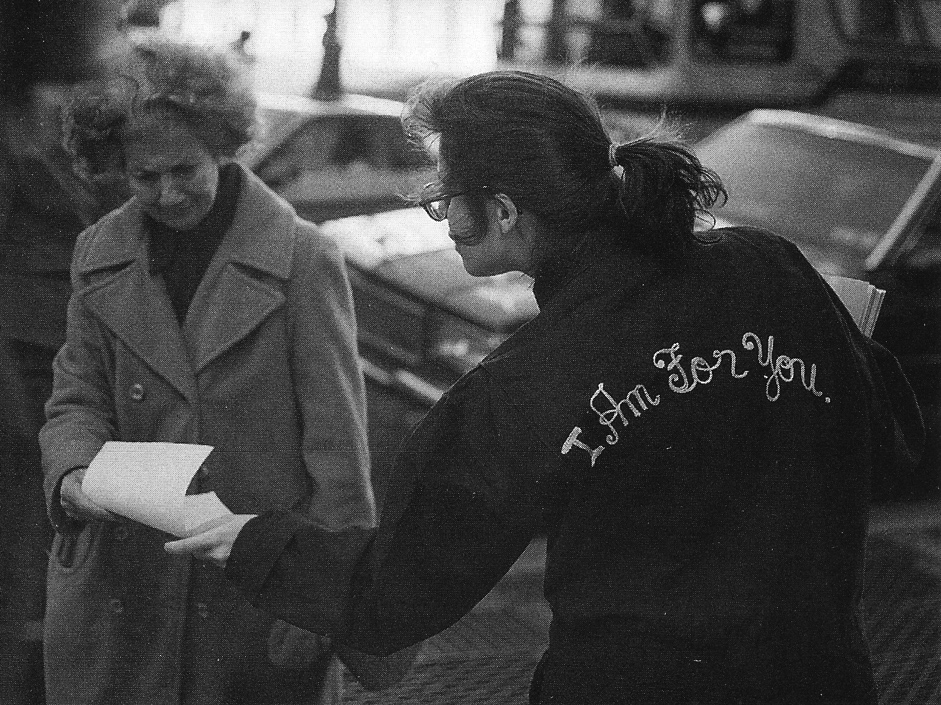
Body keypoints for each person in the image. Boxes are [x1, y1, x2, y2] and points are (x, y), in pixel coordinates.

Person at [167, 71, 925, 704]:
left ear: (502, 211)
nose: (441, 215)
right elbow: (891, 441)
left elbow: (395, 595)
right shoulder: (770, 264)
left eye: (444, 196)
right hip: (817, 679)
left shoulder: (524, 383)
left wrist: (254, 541)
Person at [38, 37, 379, 705]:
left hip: (253, 584)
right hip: (126, 580)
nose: (166, 193)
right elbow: (75, 395)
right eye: (143, 175)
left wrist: (324, 591)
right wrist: (72, 473)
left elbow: (338, 449)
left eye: (184, 168)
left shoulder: (303, 258)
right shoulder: (97, 251)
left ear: (224, 145)